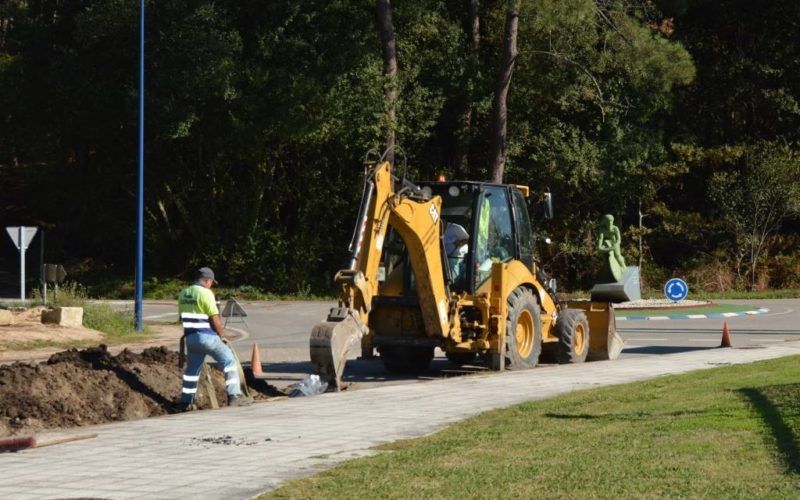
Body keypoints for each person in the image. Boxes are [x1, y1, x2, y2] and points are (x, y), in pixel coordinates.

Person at [175, 267, 251, 411]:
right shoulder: (206, 293)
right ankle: (234, 396)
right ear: (207, 280)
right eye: (211, 282)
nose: (211, 285)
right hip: (207, 337)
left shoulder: (184, 293)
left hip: (191, 338)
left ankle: (185, 402)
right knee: (229, 361)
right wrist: (222, 335)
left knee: (192, 371)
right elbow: (214, 318)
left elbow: (182, 317)